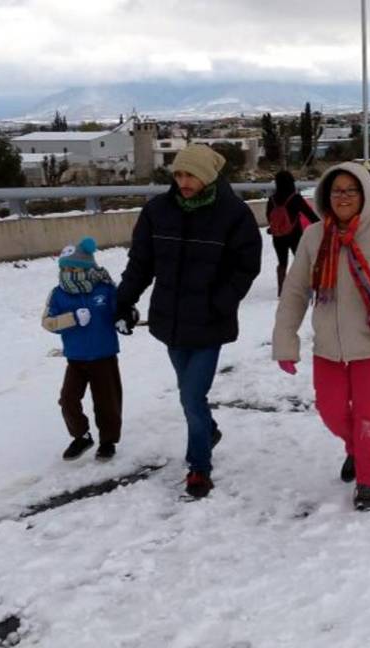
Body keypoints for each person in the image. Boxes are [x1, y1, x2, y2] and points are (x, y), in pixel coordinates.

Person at [272, 162, 370, 512]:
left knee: (369, 414)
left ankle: (369, 479)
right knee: (330, 410)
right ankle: (356, 448)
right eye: (336, 190)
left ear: (364, 195)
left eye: (350, 190)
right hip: (328, 346)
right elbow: (296, 290)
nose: (342, 197)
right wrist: (285, 341)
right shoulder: (313, 237)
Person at [115, 144, 263, 499]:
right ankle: (208, 429)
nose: (183, 181)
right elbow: (140, 264)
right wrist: (122, 304)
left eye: (190, 174)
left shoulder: (233, 214)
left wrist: (221, 302)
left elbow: (247, 265)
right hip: (170, 322)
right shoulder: (157, 211)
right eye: (178, 174)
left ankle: (199, 467)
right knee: (189, 395)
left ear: (208, 175)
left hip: (210, 322)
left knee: (192, 396)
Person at [43, 237, 122, 462]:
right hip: (75, 358)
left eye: (73, 267)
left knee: (107, 402)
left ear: (87, 267)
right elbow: (47, 322)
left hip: (104, 356)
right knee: (67, 399)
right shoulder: (58, 293)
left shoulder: (105, 289)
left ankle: (108, 442)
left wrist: (127, 316)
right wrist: (71, 319)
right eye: (64, 267)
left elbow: (121, 310)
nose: (68, 271)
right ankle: (81, 436)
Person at [266, 169, 320, 296]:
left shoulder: (272, 199)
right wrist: (322, 226)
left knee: (282, 262)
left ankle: (281, 290)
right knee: (300, 261)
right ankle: (305, 287)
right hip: (295, 235)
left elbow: (269, 217)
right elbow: (311, 216)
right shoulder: (295, 198)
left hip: (278, 236)